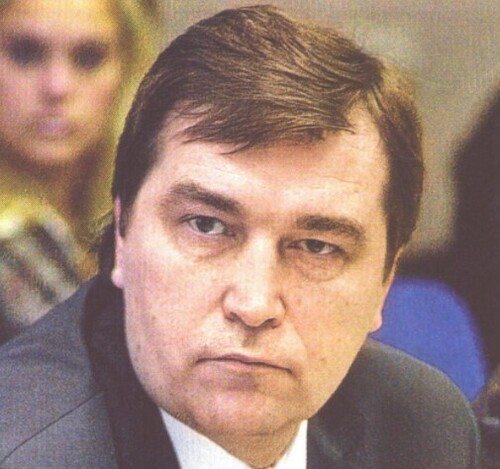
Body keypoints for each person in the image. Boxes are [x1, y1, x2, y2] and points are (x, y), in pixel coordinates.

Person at [0, 6, 480, 468]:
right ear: (122, 235)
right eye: (206, 226)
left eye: (317, 247)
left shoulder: (423, 430)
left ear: (386, 277)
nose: (254, 305)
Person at [0, 0, 160, 341]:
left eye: (89, 58)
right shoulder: (13, 244)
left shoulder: (136, 219)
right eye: (25, 53)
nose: (57, 87)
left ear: (128, 71)